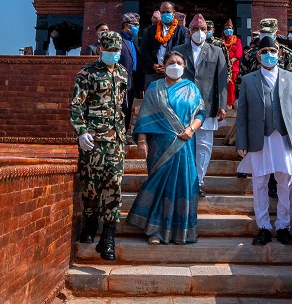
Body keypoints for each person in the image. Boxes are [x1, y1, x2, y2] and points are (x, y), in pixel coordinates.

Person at [127, 50, 204, 244]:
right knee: (160, 184)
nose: (175, 65)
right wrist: (142, 141)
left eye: (179, 62)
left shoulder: (192, 88)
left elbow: (201, 114)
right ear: (164, 65)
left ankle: (181, 232)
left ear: (184, 67)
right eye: (171, 62)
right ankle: (155, 230)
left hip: (184, 143)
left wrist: (191, 130)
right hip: (159, 145)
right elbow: (144, 116)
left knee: (183, 184)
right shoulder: (154, 88)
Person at [235, 36, 292, 247]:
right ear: (258, 55)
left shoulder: (291, 78)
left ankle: (283, 226)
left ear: (279, 54)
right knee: (260, 183)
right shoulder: (249, 80)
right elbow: (242, 114)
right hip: (259, 137)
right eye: (264, 51)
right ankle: (264, 227)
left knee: (285, 183)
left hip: (284, 137)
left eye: (272, 51)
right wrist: (241, 142)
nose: (269, 54)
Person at [69, 30, 128, 261]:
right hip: (93, 140)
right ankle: (91, 222)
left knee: (114, 183)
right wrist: (81, 132)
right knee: (91, 185)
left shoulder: (123, 73)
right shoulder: (87, 73)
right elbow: (76, 105)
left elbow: (122, 105)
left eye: (117, 50)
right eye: (110, 50)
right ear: (101, 49)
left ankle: (109, 236)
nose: (114, 54)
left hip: (116, 140)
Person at [170, 14, 229, 197]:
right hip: (182, 104)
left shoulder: (216, 51)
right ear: (189, 32)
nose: (200, 33)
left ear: (208, 32)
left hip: (207, 105)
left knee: (203, 146)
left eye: (203, 29)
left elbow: (221, 79)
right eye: (196, 29)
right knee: (181, 144)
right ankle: (182, 181)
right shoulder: (178, 50)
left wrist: (222, 104)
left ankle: (198, 182)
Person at [120, 13, 140, 137]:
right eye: (135, 25)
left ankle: (124, 133)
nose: (137, 28)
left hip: (131, 81)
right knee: (120, 109)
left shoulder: (131, 41)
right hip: (121, 81)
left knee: (127, 109)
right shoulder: (119, 40)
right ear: (127, 25)